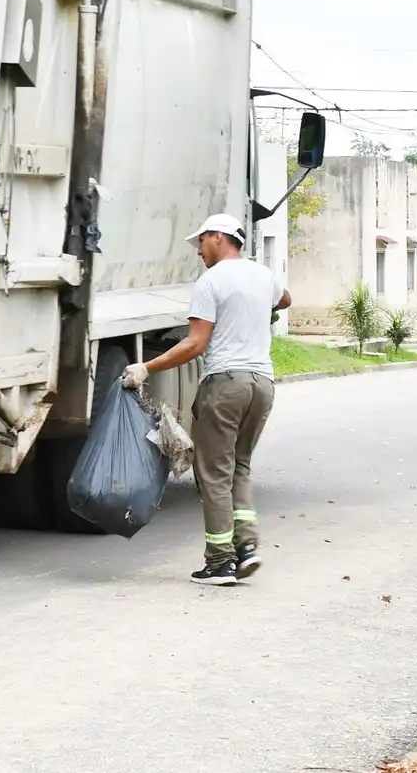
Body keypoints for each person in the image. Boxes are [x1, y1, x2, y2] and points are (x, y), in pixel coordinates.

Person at [122, 214, 290, 586]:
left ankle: (219, 562)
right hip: (262, 383)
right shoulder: (263, 276)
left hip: (226, 383)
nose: (198, 250)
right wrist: (257, 311)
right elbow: (286, 299)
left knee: (213, 474)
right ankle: (247, 548)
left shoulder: (211, 281)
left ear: (219, 237)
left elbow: (196, 343)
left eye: (201, 241)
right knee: (239, 466)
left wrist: (146, 368)